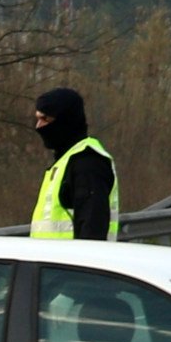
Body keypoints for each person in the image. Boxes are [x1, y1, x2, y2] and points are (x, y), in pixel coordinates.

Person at [29, 85, 118, 242]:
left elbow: (92, 231)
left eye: (45, 119)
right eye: (38, 119)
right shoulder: (66, 161)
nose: (39, 126)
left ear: (65, 121)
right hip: (53, 264)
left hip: (68, 264)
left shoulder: (88, 163)